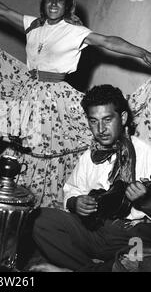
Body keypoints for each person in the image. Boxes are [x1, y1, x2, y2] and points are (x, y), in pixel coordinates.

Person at [0, 0, 151, 209]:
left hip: (55, 99)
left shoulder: (75, 32)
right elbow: (2, 11)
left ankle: (43, 200)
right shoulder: (33, 25)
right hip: (28, 94)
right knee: (19, 144)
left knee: (49, 148)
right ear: (43, 3)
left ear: (67, 6)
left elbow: (108, 41)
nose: (54, 3)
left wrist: (142, 53)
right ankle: (9, 195)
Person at [31, 85, 151, 272]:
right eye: (93, 121)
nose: (100, 129)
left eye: (107, 119)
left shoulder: (147, 152)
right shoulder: (90, 155)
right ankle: (94, 268)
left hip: (132, 235)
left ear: (124, 118)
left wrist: (145, 202)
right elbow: (72, 190)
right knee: (41, 220)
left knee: (137, 260)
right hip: (95, 229)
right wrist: (76, 203)